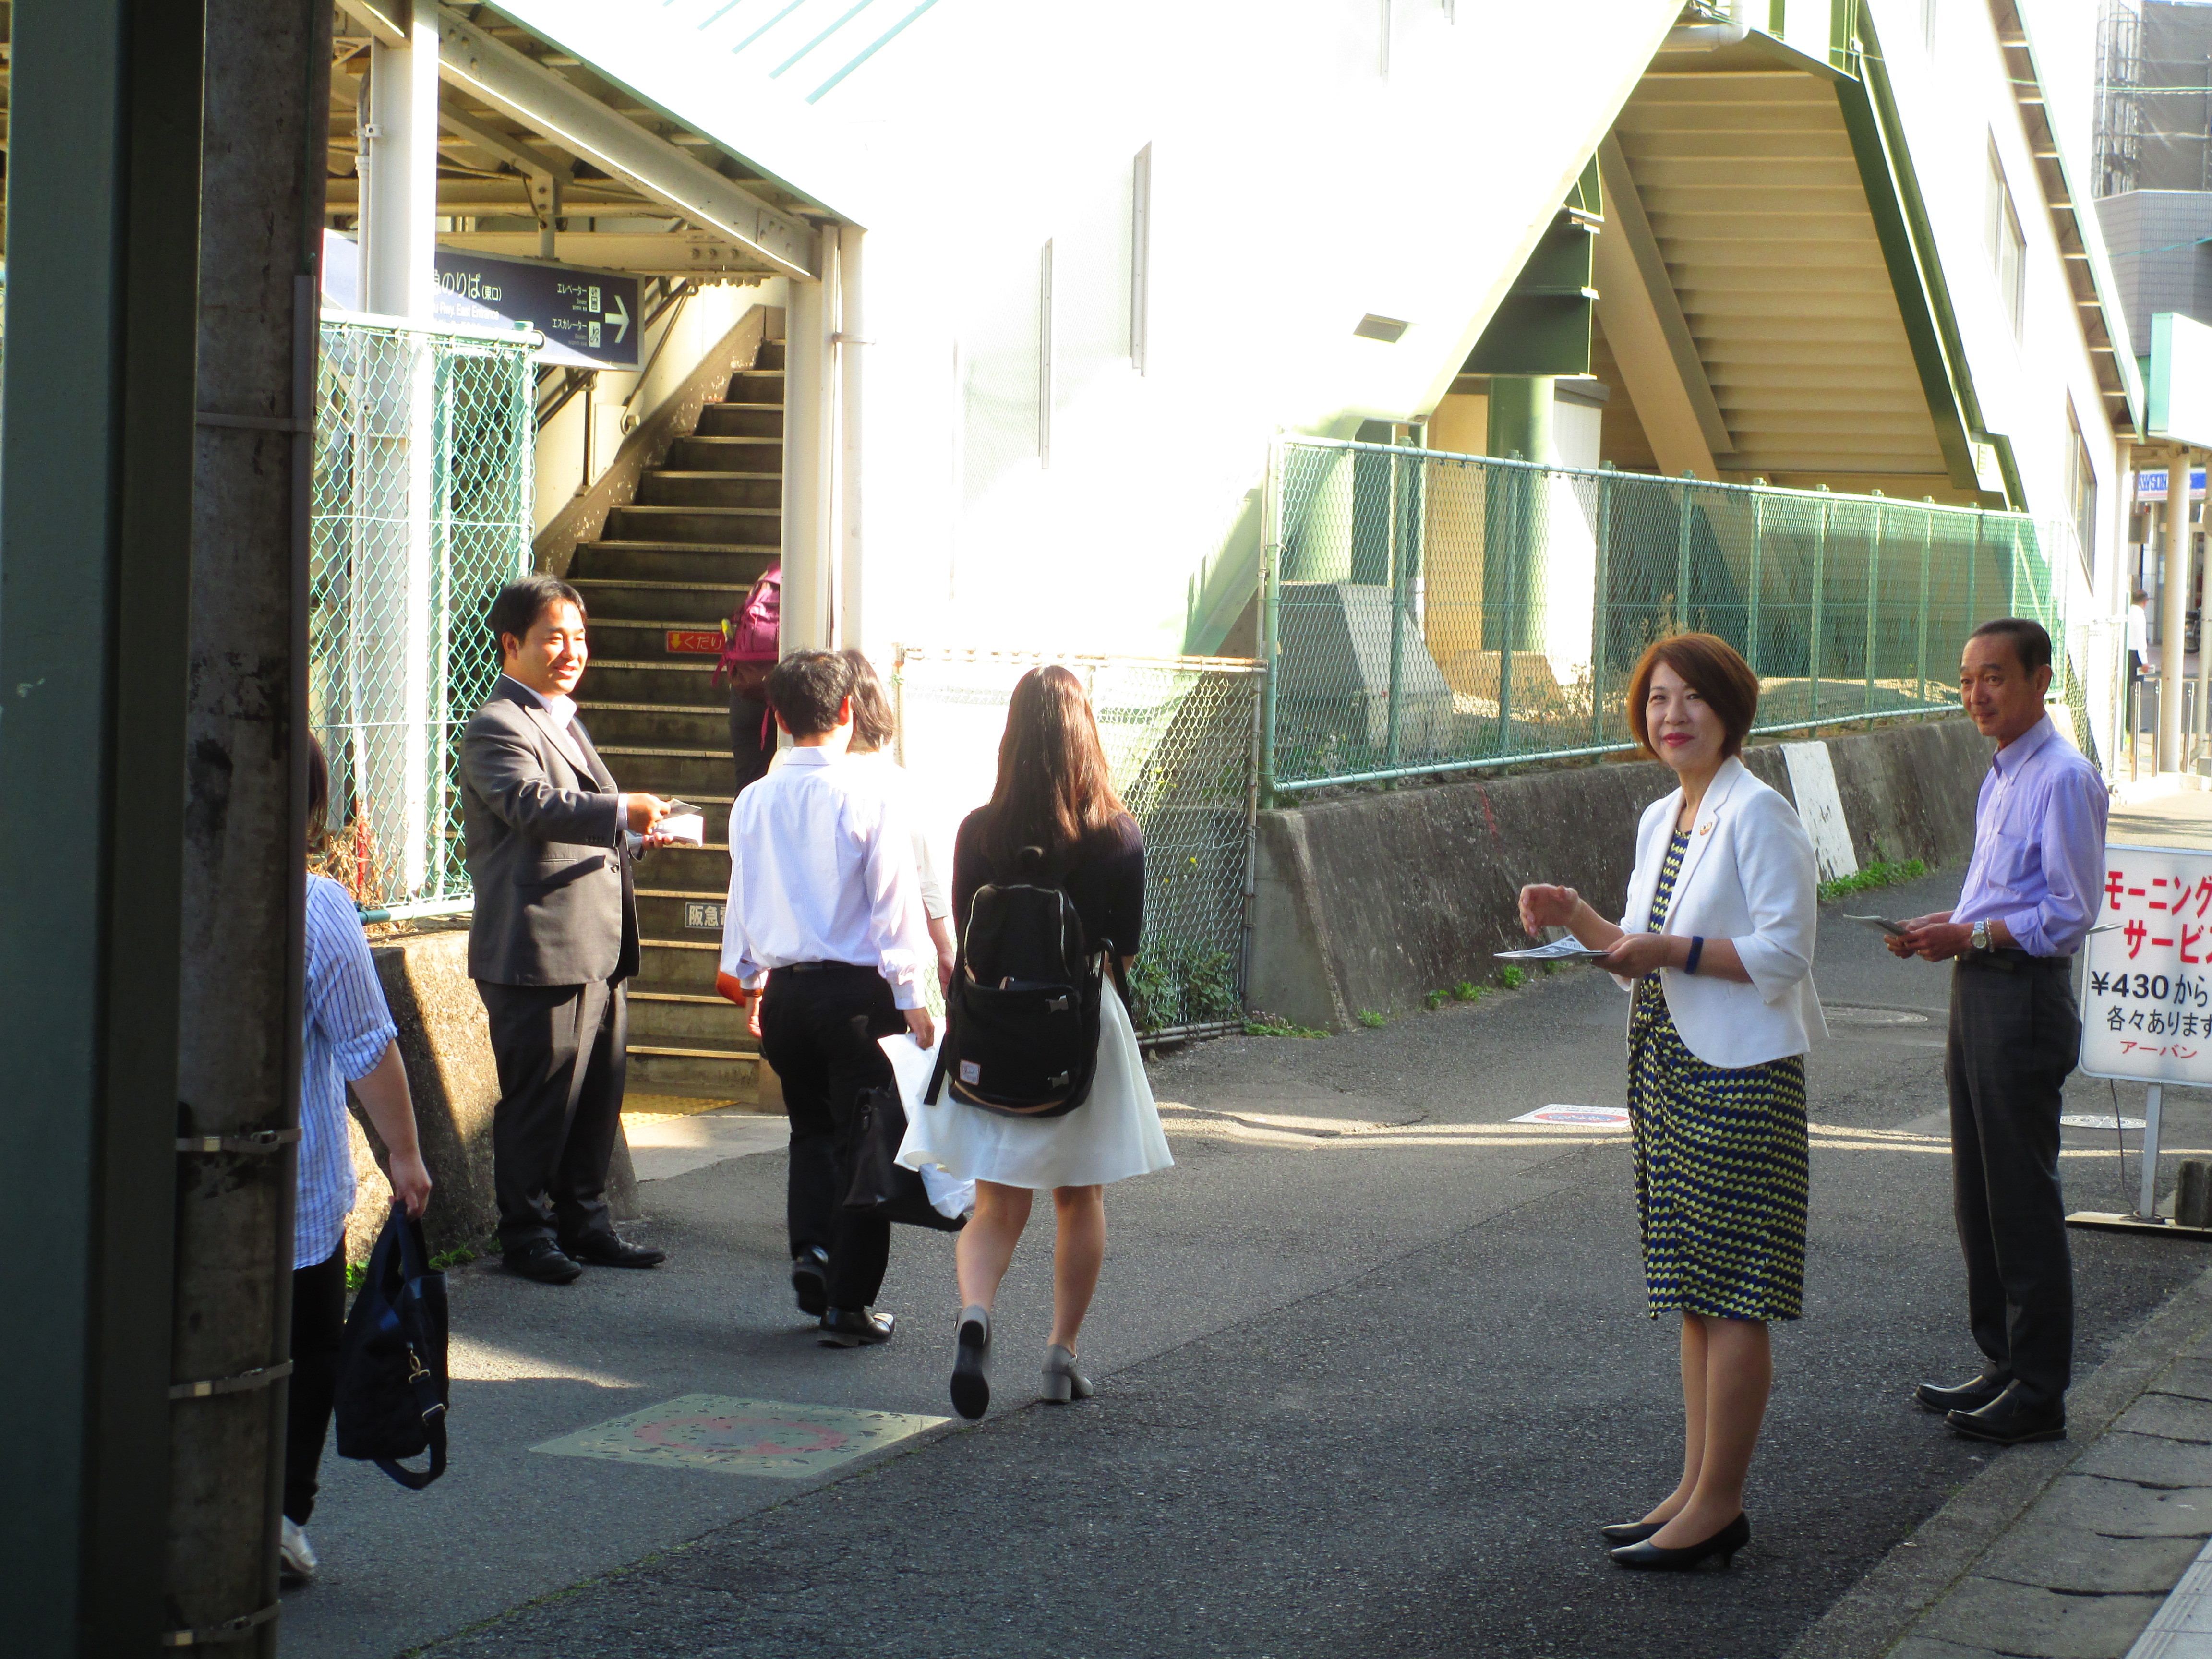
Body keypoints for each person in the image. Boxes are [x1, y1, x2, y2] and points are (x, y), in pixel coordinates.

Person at [1518, 633, 1823, 1572]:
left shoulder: (1760, 813)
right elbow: (1636, 951)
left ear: (1730, 708)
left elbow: (1784, 953)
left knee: (1736, 1294)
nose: (1671, 716)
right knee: (1694, 1289)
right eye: (1657, 700)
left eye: (1691, 698)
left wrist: (1666, 953)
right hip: (1665, 1065)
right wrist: (1577, 919)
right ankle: (1694, 1488)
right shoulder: (1663, 818)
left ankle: (1721, 1503)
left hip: (1739, 1072)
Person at [899, 664, 1173, 1421]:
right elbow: (1128, 944)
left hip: (993, 1028)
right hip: (1080, 1028)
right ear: (1087, 734)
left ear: (1012, 736)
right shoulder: (1116, 834)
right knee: (1078, 1197)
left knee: (995, 1203)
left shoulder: (978, 832)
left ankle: (977, 1313)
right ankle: (1060, 1355)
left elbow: (964, 927)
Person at [1889, 618, 2107, 1446]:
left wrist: (1970, 935)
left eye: (1993, 677)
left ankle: (2039, 1393)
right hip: (1978, 988)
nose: (1975, 693)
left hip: (2021, 996)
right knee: (1976, 1193)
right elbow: (1997, 899)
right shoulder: (2000, 777)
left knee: (2021, 1198)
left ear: (2039, 679)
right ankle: (2002, 1364)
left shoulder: (2061, 778)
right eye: (1965, 677)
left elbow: (2065, 913)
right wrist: (1940, 924)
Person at [460, 574, 673, 1285]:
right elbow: (531, 806)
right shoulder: (498, 723)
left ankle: (585, 1222)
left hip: (596, 944)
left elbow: (575, 818)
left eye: (578, 637)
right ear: (511, 644)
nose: (570, 650)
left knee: (597, 1095)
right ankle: (525, 1233)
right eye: (554, 637)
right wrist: (619, 812)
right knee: (540, 1096)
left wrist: (638, 837)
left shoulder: (559, 717)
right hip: (537, 947)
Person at [718, 649, 936, 1346]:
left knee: (811, 1132)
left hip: (784, 995)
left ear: (778, 718)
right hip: (856, 998)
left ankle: (810, 1252)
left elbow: (742, 898)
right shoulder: (869, 798)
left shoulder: (752, 800)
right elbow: (894, 908)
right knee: (865, 1144)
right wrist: (915, 997)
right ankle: (849, 1304)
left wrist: (749, 978)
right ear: (847, 712)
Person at [283, 735, 434, 1585]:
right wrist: (404, 1155)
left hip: (151, 1191)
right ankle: (279, 1513)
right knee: (307, 1352)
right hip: (292, 1193)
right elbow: (367, 1047)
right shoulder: (316, 905)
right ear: (311, 808)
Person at [842, 649, 958, 993]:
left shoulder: (801, 780)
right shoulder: (895, 782)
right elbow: (924, 877)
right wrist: (945, 950)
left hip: (809, 974)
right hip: (886, 971)